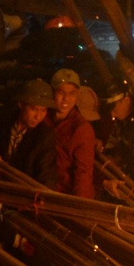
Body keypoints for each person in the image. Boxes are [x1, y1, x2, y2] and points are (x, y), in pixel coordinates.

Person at [47, 68, 98, 199]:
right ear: (52, 92)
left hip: (65, 197)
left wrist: (79, 207)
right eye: (61, 93)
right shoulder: (43, 118)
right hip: (42, 192)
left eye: (72, 94)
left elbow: (83, 173)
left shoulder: (81, 129)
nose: (66, 99)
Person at [3, 79, 58, 183]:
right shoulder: (2, 121)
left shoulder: (45, 135)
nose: (38, 116)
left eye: (43, 110)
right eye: (33, 109)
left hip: (25, 193)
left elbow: (47, 175)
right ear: (21, 104)